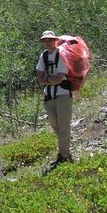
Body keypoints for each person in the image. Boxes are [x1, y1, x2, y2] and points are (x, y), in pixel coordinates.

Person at [36, 30, 73, 168]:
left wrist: (47, 79)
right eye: (45, 40)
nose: (48, 42)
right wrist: (50, 80)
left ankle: (64, 155)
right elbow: (39, 78)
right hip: (49, 95)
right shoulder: (44, 56)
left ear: (55, 40)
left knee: (63, 126)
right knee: (54, 125)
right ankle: (64, 149)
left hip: (63, 94)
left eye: (50, 40)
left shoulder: (62, 55)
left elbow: (58, 78)